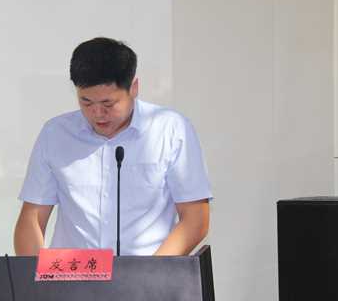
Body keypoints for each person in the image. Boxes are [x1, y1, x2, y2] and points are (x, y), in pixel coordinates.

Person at [14, 37, 212, 256]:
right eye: (86, 102)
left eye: (108, 103)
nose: (97, 113)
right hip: (72, 273)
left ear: (134, 88)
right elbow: (32, 218)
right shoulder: (55, 134)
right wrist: (32, 274)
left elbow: (195, 220)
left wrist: (150, 272)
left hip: (147, 271)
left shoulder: (170, 130)